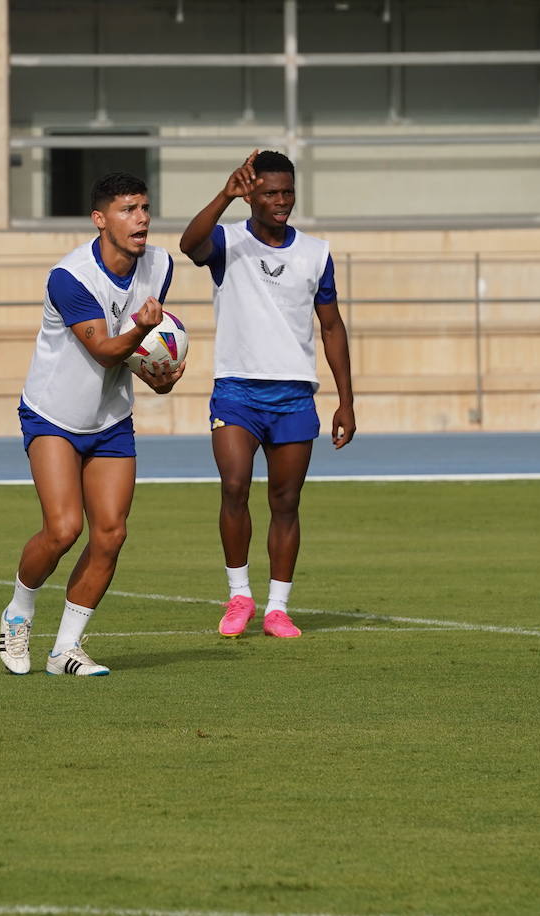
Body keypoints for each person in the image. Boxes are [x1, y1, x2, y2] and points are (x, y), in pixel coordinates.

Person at [0, 172, 183, 677]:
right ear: (100, 219)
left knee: (111, 534)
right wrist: (142, 330)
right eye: (127, 209)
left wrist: (157, 376)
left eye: (144, 207)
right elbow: (103, 350)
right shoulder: (70, 277)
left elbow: (134, 352)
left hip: (111, 418)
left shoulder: (161, 265)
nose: (141, 218)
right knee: (63, 529)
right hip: (53, 413)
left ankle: (65, 650)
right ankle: (18, 613)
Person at [178, 150, 355, 639]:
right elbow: (189, 244)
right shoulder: (227, 242)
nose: (281, 201)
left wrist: (346, 400)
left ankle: (278, 608)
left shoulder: (316, 253)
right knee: (234, 486)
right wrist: (224, 195)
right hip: (236, 391)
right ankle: (239, 596)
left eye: (287, 192)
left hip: (294, 395)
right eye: (271, 193)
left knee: (286, 500)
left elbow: (332, 326)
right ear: (251, 195)